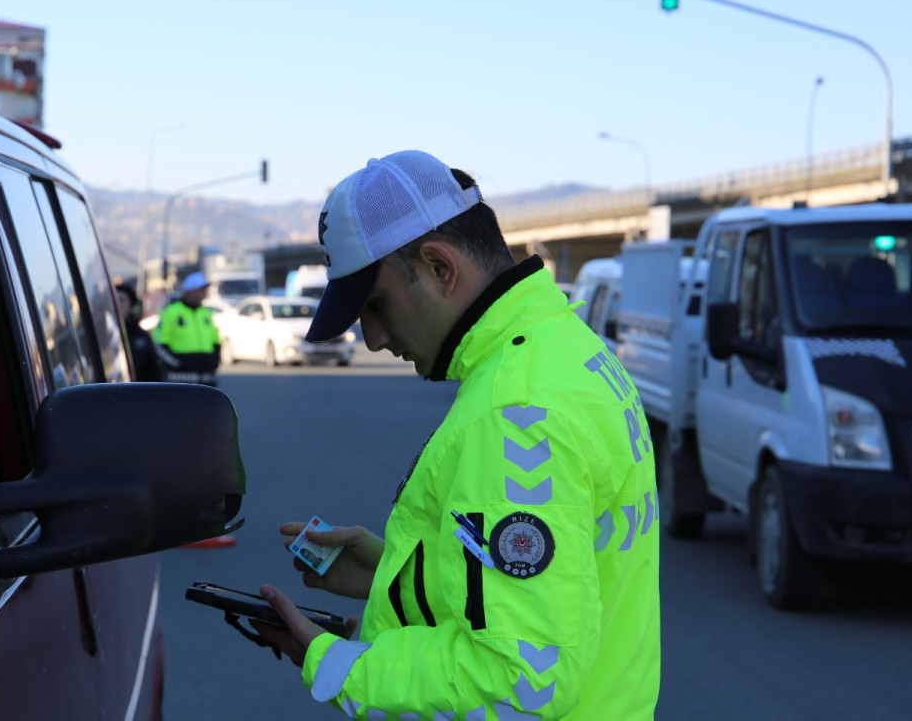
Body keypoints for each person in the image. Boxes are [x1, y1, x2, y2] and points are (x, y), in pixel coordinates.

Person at [251, 150, 660, 718]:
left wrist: (338, 664)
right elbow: (569, 582)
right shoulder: (567, 350)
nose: (371, 338)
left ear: (440, 268)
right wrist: (395, 571)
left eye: (376, 304)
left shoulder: (514, 412)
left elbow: (518, 682)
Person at [151, 271, 221, 386]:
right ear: (191, 291)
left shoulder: (205, 313)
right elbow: (158, 344)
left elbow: (216, 342)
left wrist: (214, 362)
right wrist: (177, 364)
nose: (205, 294)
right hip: (179, 381)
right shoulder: (171, 312)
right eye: (202, 290)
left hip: (206, 381)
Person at [114, 283, 161, 382]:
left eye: (121, 300)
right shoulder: (102, 333)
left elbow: (153, 371)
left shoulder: (141, 336)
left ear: (130, 305)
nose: (117, 304)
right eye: (114, 299)